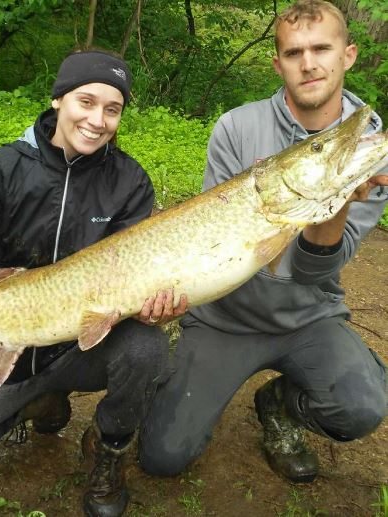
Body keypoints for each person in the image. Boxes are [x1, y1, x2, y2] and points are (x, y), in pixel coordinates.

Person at [0, 49, 185, 517]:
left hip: (86, 349)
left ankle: (109, 448)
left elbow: (133, 273)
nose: (97, 120)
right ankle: (38, 402)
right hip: (15, 346)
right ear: (59, 98)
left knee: (147, 347)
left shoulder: (130, 182)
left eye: (112, 109)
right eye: (86, 101)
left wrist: (151, 302)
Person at [139, 0, 388, 484]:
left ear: (348, 54)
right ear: (278, 64)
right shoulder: (237, 127)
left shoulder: (367, 149)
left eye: (322, 48)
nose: (309, 63)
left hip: (308, 316)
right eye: (295, 53)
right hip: (224, 319)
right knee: (162, 457)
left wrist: (331, 208)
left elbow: (313, 271)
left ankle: (280, 406)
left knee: (361, 407)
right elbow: (215, 245)